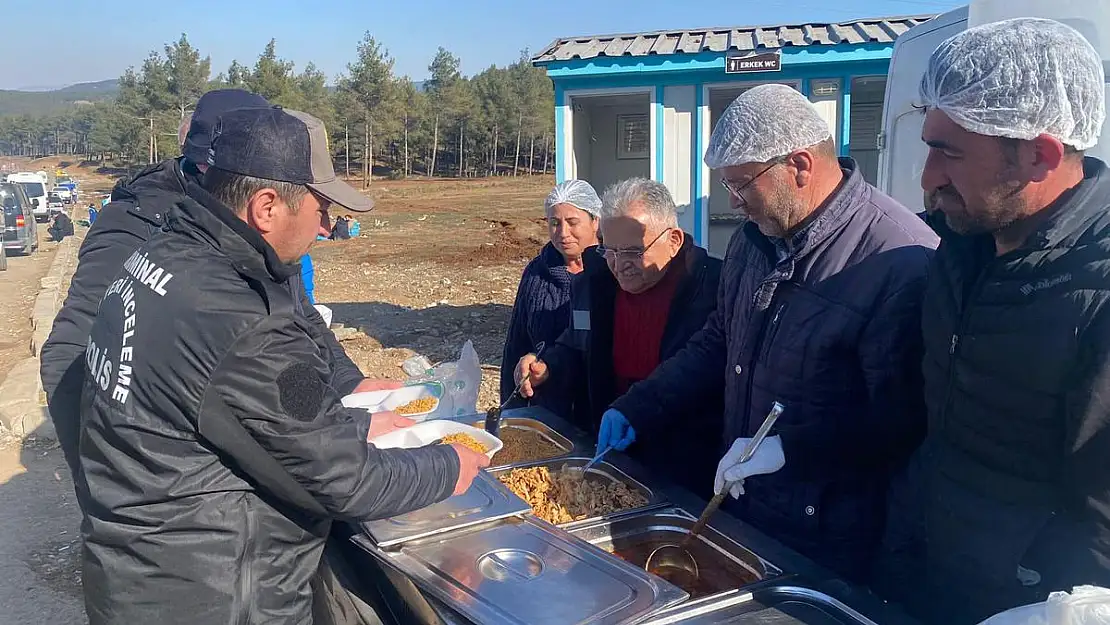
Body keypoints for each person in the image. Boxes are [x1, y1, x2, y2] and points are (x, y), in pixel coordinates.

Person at [76, 105, 492, 625]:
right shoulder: (237, 316)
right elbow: (347, 481)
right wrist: (452, 464)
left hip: (141, 569)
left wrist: (361, 420)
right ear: (266, 206)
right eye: (320, 206)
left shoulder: (167, 254)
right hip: (212, 592)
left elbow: (234, 409)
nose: (325, 226)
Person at [590, 85, 938, 581]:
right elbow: (718, 342)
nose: (732, 203)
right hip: (746, 507)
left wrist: (788, 450)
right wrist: (640, 404)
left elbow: (902, 421)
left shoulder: (899, 260)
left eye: (741, 185)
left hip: (829, 536)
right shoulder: (754, 242)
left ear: (798, 166)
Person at [874, 18, 1110, 623]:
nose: (926, 180)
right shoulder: (961, 249)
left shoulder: (1097, 291)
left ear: (1040, 155)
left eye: (949, 153)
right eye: (929, 146)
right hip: (926, 580)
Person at [41, 88, 397, 486]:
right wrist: (108, 484)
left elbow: (300, 312)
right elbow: (70, 351)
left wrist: (351, 383)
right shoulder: (137, 223)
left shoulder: (248, 228)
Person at [515, 178, 723, 494]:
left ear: (674, 240)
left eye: (633, 251)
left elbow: (711, 371)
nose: (619, 265)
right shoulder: (595, 283)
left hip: (684, 455)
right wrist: (548, 365)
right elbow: (576, 341)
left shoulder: (713, 288)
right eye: (610, 250)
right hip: (613, 441)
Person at [501, 179, 602, 417]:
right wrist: (511, 409)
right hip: (549, 408)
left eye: (572, 222)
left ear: (595, 221)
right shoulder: (537, 272)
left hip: (600, 407)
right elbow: (516, 343)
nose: (563, 233)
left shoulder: (614, 271)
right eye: (555, 223)